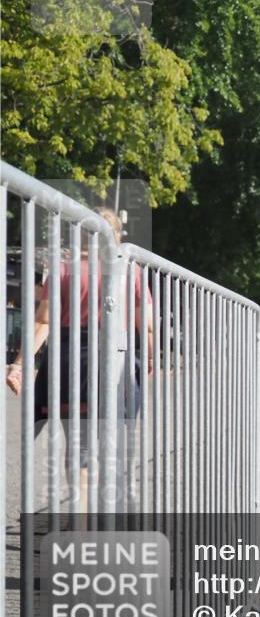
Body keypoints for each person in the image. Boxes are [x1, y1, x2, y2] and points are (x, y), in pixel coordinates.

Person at [6, 207, 153, 513]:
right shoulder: (131, 270)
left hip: (70, 363)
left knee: (80, 449)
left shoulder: (64, 270)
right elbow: (146, 324)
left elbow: (43, 322)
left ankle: (82, 523)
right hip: (115, 365)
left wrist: (21, 362)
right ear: (116, 236)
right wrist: (150, 358)